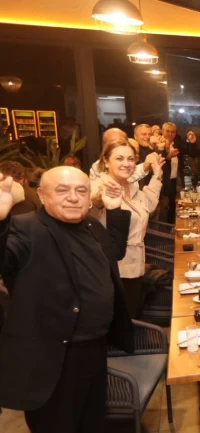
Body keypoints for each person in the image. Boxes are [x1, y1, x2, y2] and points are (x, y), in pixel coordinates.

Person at [0, 166, 134, 433]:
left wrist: (115, 211)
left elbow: (115, 252)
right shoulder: (24, 228)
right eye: (62, 190)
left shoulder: (92, 225)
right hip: (53, 360)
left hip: (95, 349)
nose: (73, 197)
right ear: (42, 195)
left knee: (92, 423)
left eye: (81, 191)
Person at [90, 138, 164, 318]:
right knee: (121, 321)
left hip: (136, 265)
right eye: (119, 158)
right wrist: (99, 199)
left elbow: (148, 205)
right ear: (106, 161)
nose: (126, 163)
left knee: (133, 316)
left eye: (131, 159)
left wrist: (157, 176)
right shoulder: (100, 185)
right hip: (113, 270)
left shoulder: (132, 185)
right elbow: (92, 206)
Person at [89, 128, 154, 183]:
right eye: (119, 159)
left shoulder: (134, 162)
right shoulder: (96, 167)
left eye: (121, 142)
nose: (126, 164)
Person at [161, 122, 186, 223]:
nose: (170, 134)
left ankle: (173, 226)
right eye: (167, 131)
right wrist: (168, 156)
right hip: (163, 182)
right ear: (162, 131)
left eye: (173, 132)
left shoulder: (176, 144)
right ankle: (165, 229)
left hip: (175, 180)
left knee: (174, 206)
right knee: (164, 209)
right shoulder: (158, 145)